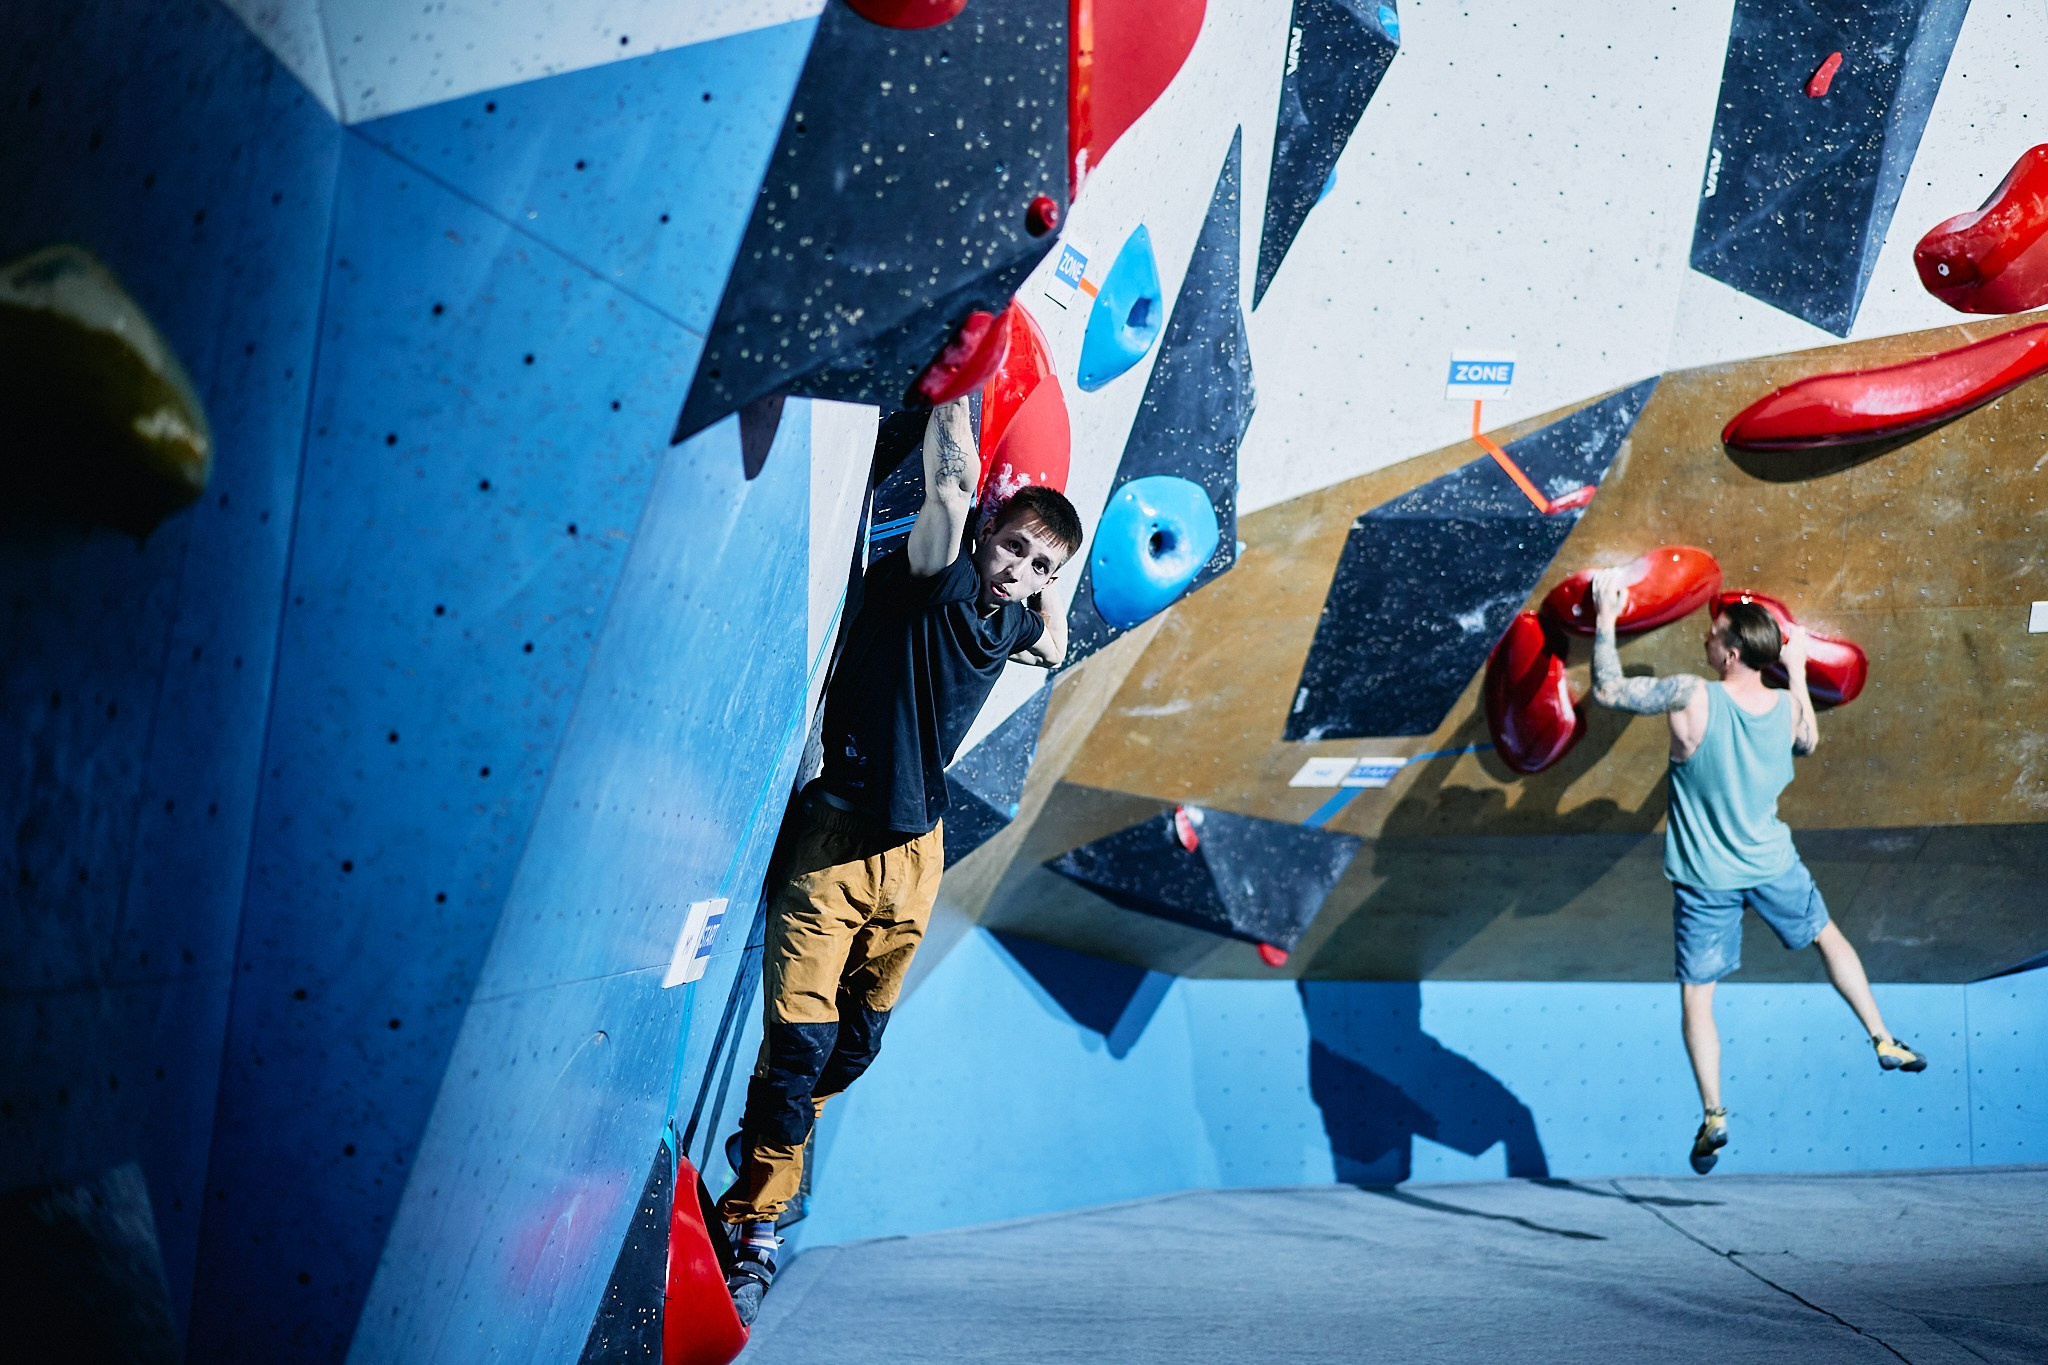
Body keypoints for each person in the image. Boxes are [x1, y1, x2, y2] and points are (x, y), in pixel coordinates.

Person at [717, 395, 1082, 1321]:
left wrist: (1052, 584)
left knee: (853, 1046)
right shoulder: (935, 576)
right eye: (1014, 547)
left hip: (917, 856)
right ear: (990, 530)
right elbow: (952, 493)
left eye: (1038, 564)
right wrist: (959, 392)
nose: (1018, 569)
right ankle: (753, 1227)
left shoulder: (1010, 621)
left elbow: (1056, 636)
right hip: (834, 846)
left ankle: (775, 1146)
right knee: (798, 1050)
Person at [1587, 571, 1926, 1176]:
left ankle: (1714, 1111)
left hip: (1705, 879)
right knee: (1828, 937)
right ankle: (1881, 1036)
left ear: (1732, 653)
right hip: (1771, 863)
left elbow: (1610, 691)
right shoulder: (1783, 710)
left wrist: (1607, 614)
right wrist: (1795, 673)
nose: (1706, 640)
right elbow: (1808, 744)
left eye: (1714, 635)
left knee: (1698, 998)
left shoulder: (1692, 694)